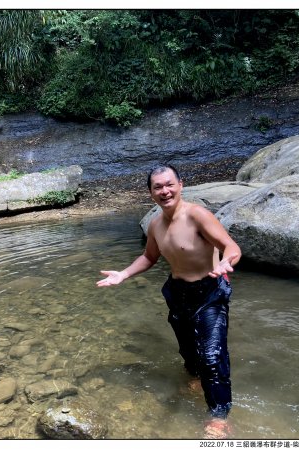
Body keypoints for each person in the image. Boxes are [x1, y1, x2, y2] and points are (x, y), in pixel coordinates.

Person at [97, 165, 241, 439]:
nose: (165, 191)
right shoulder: (155, 224)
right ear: (151, 193)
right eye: (158, 187)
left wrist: (225, 261)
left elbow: (231, 246)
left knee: (212, 356)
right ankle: (197, 380)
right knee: (189, 352)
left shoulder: (197, 215)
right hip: (178, 292)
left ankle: (219, 416)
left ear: (180, 185)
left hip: (210, 290)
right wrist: (123, 274)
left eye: (169, 184)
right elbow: (150, 257)